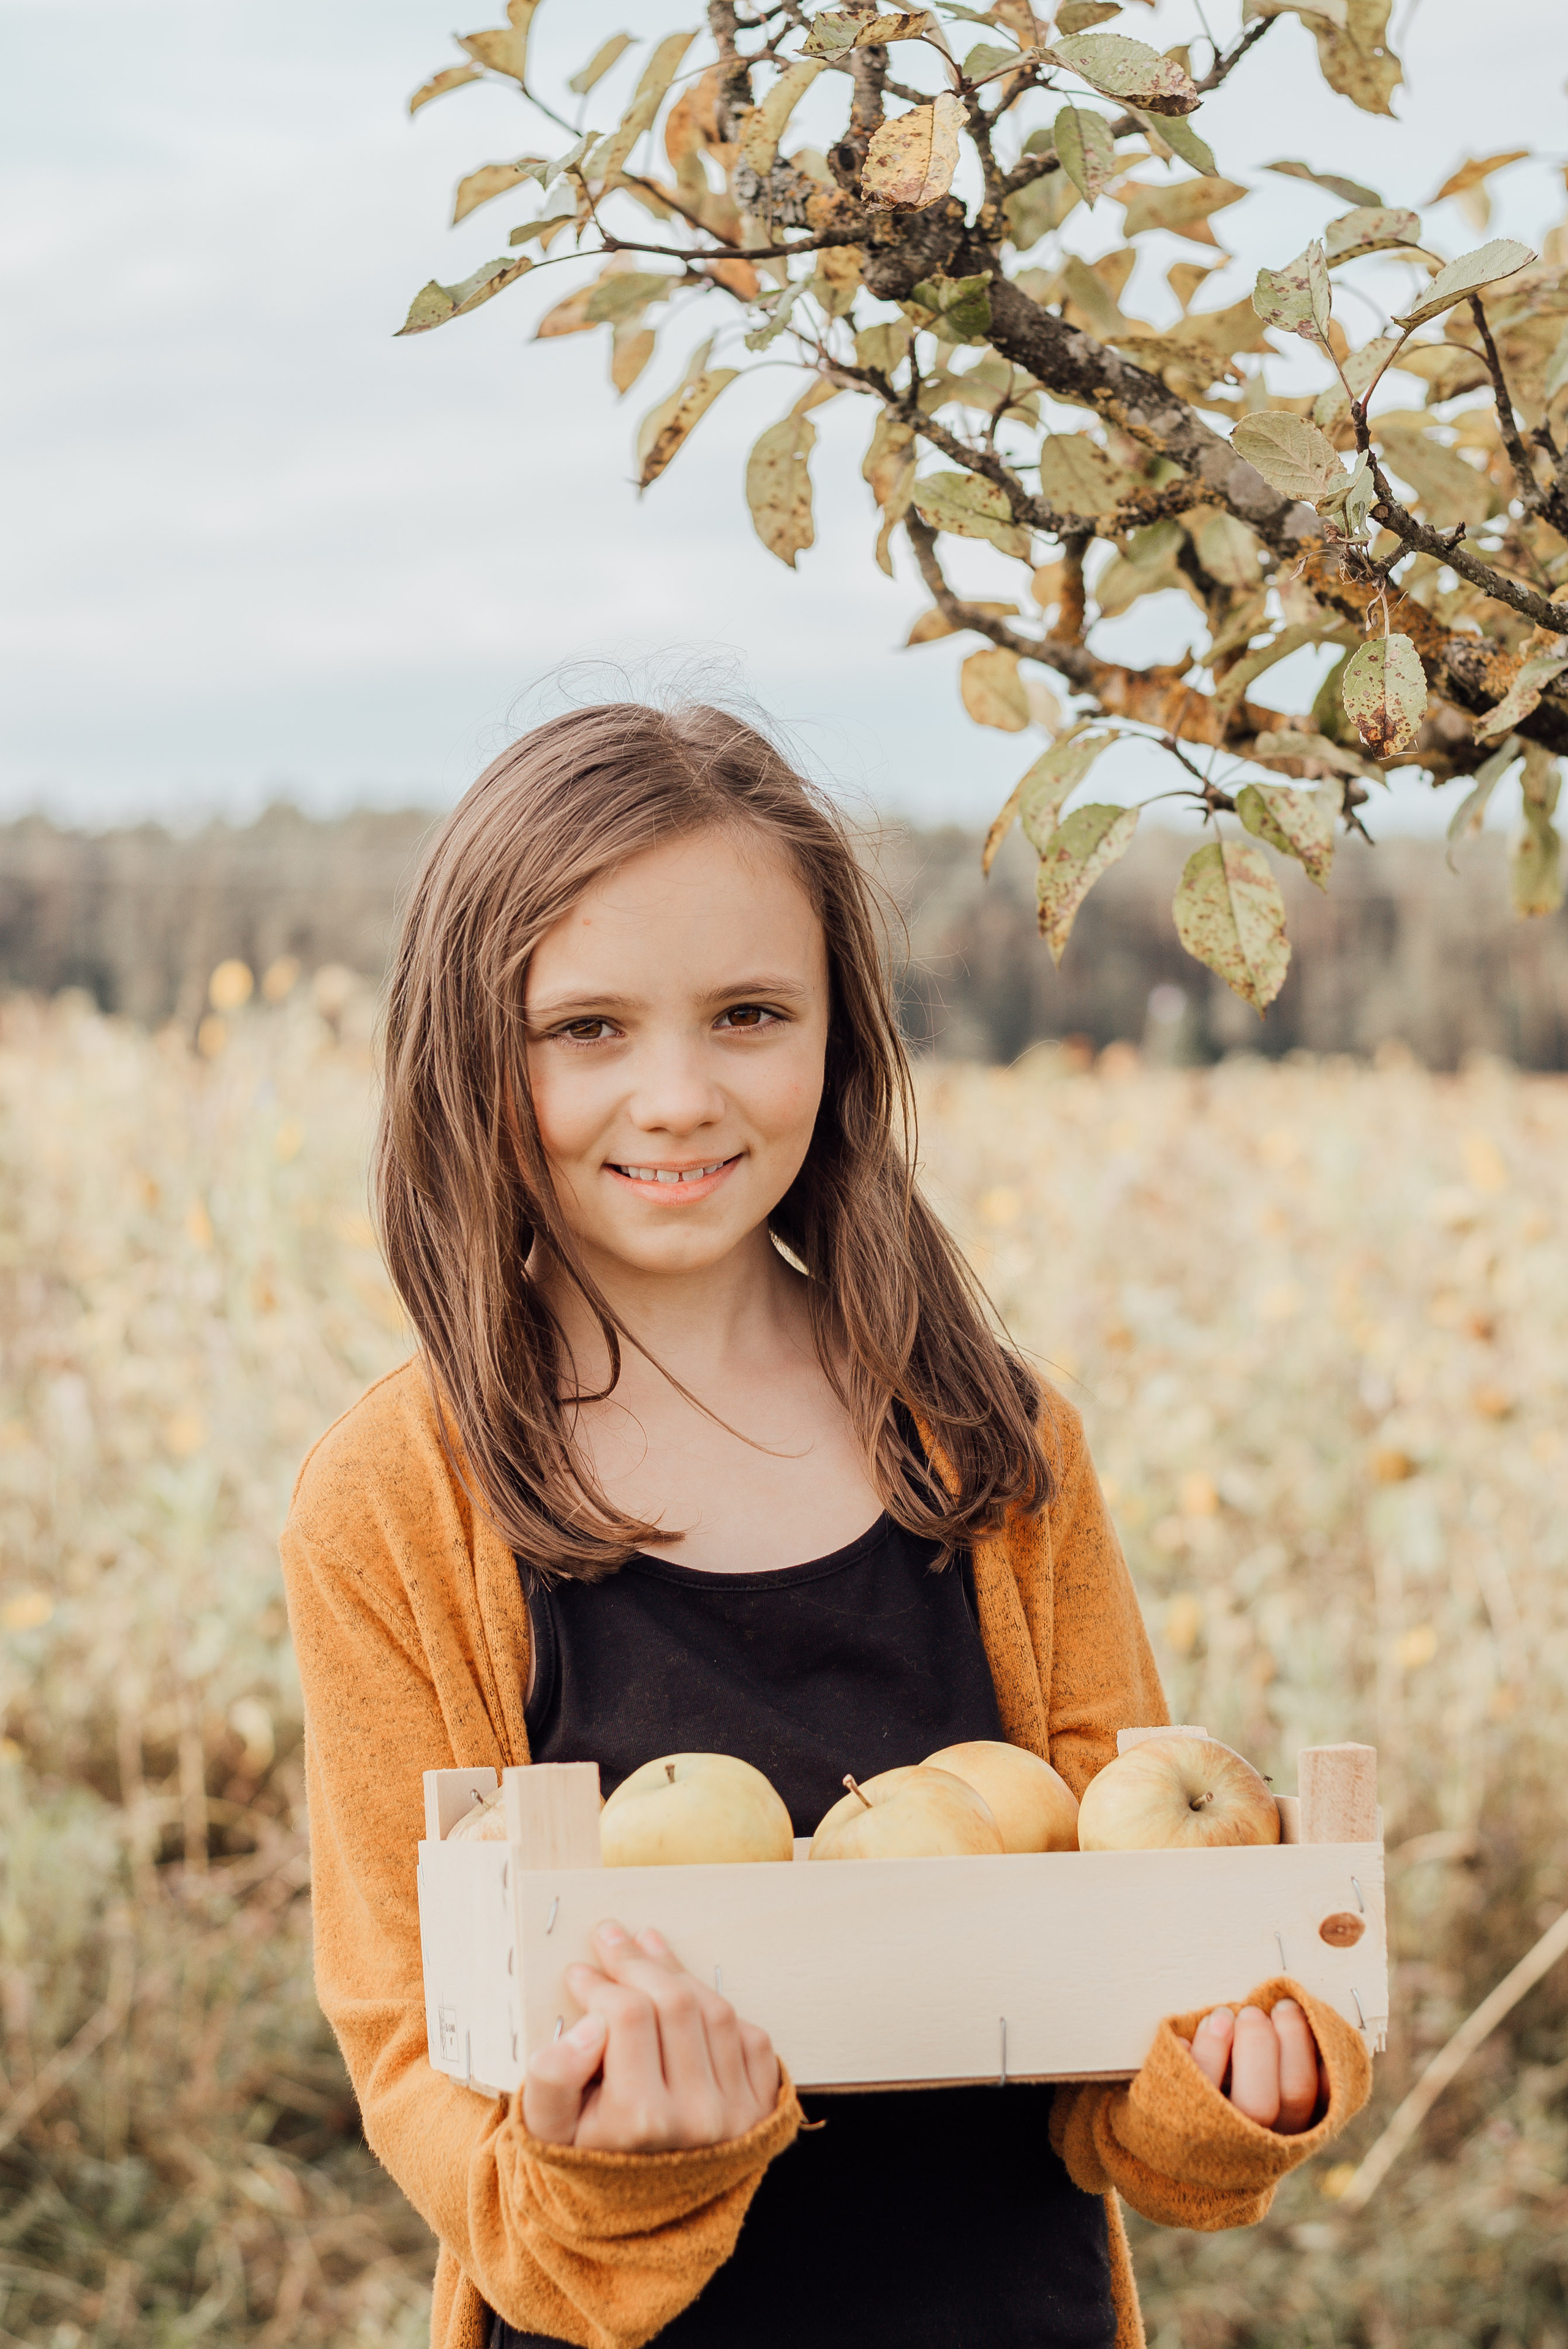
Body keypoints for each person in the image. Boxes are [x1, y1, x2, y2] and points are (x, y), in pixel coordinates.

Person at [281, 701, 1371, 2349]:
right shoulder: (400, 1500)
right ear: (469, 1050)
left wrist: (1226, 2080)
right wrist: (619, 2167)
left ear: (838, 1037)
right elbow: (417, 2062)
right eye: (587, 1027)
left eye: (747, 1013)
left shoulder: (998, 1448)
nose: (676, 1094)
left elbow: (1118, 2027)